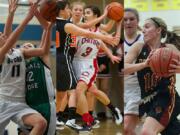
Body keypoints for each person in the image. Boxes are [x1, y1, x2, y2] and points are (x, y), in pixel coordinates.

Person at [55, 0, 119, 131]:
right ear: (70, 11)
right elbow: (95, 34)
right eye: (78, 10)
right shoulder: (73, 25)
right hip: (72, 61)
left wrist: (116, 19)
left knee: (78, 91)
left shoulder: (92, 27)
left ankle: (82, 120)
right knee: (88, 92)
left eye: (84, 11)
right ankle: (108, 112)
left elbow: (101, 36)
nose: (80, 13)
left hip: (88, 64)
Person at [124, 17, 180, 135]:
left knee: (147, 131)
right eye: (143, 27)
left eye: (147, 27)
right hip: (147, 99)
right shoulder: (139, 47)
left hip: (167, 96)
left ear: (158, 30)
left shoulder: (169, 49)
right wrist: (144, 64)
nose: (143, 30)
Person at [73, 5, 123, 132]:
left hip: (89, 64)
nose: (84, 14)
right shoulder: (79, 24)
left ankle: (88, 122)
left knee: (80, 90)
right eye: (84, 12)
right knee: (94, 91)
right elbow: (100, 38)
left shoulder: (99, 30)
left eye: (87, 12)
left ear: (95, 15)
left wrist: (118, 21)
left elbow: (111, 40)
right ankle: (114, 109)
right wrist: (107, 16)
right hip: (75, 62)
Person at [0, 3, 47, 135]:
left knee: (41, 123)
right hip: (3, 102)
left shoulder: (18, 52)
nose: (2, 35)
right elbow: (11, 38)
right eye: (0, 35)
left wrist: (11, 13)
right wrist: (28, 18)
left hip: (19, 102)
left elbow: (8, 35)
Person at [123, 8, 144, 135]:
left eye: (132, 19)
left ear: (138, 21)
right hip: (123, 89)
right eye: (125, 19)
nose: (128, 22)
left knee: (127, 128)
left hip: (138, 89)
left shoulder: (144, 40)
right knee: (133, 130)